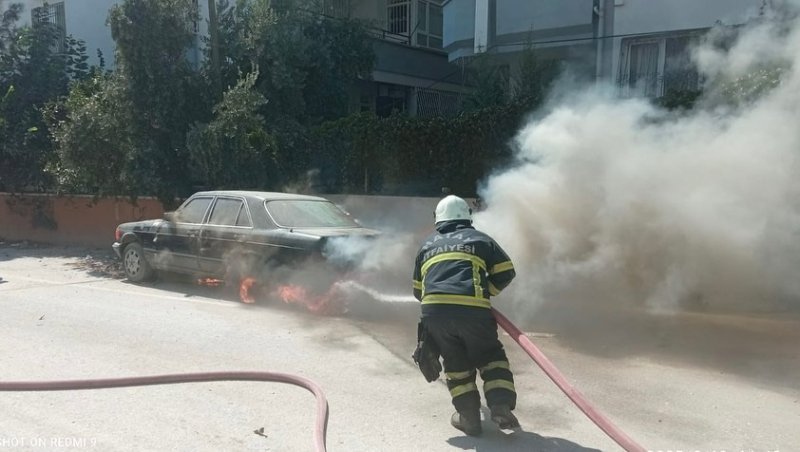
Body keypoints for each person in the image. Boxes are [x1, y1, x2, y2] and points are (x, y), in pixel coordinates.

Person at [412, 195, 518, 436]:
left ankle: (468, 418)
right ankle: (500, 405)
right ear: (467, 217)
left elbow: (418, 290)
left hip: (434, 314)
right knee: (490, 357)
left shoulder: (426, 245)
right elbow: (506, 271)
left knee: (455, 363)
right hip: (473, 311)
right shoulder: (480, 239)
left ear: (438, 219)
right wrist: (485, 291)